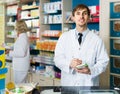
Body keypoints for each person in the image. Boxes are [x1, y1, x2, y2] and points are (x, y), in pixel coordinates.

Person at [54, 4, 109, 86]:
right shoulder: (64, 37)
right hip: (69, 84)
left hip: (88, 84)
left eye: (85, 13)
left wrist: (91, 70)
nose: (81, 16)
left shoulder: (97, 40)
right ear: (73, 17)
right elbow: (57, 59)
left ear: (89, 17)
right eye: (78, 13)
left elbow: (103, 62)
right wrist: (69, 63)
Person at [6, 20, 30, 84]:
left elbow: (21, 53)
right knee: (21, 85)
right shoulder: (22, 36)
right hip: (20, 67)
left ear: (18, 27)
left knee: (19, 86)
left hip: (20, 67)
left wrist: (9, 52)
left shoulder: (23, 38)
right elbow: (17, 47)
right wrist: (7, 47)